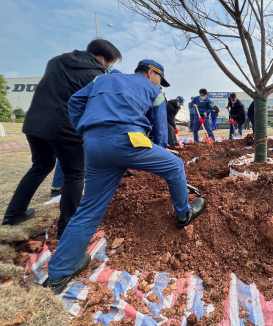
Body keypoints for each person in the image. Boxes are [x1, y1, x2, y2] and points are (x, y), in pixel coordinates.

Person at [44, 60, 205, 294]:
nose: (160, 83)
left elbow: (75, 101)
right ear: (152, 73)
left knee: (90, 207)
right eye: (160, 78)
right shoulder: (155, 92)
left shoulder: (103, 79)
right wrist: (159, 157)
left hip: (94, 145)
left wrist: (87, 131)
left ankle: (60, 273)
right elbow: (160, 130)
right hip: (129, 140)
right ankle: (183, 214)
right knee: (175, 165)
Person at [2, 39, 122, 238]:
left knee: (40, 166)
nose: (110, 66)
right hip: (65, 129)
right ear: (102, 57)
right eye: (111, 62)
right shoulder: (96, 76)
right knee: (75, 174)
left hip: (35, 125)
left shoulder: (56, 61)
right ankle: (67, 229)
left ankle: (13, 214)